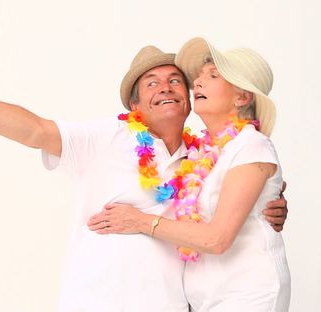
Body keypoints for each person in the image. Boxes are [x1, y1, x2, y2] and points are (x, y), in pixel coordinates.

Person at [0, 44, 288, 312]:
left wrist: (269, 204)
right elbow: (35, 130)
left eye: (175, 81)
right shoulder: (106, 137)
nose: (165, 87)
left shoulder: (202, 159)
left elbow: (230, 209)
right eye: (151, 83)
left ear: (188, 99)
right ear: (134, 105)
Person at [87, 38, 290, 311]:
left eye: (213, 76)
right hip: (205, 299)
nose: (197, 83)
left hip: (247, 295)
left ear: (242, 97)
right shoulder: (201, 155)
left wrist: (139, 221)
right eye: (199, 77)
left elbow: (216, 239)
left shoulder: (252, 146)